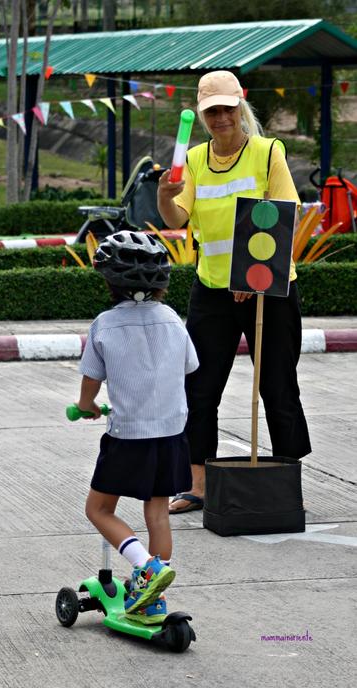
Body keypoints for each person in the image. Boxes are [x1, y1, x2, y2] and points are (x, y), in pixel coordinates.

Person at [157, 70, 312, 514]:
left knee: (277, 385)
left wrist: (251, 274)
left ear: (240, 105)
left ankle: (286, 479)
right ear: (202, 115)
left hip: (269, 286)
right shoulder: (195, 160)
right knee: (199, 387)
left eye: (227, 108)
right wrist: (166, 193)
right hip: (212, 289)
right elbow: (174, 218)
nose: (221, 117)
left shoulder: (268, 153)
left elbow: (285, 213)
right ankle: (197, 484)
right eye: (212, 111)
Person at [74, 230, 198, 623]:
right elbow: (189, 366)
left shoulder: (105, 325)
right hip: (172, 435)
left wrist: (87, 407)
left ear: (109, 280)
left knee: (99, 508)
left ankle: (146, 568)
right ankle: (151, 600)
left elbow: (89, 386)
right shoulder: (173, 320)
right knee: (157, 513)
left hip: (129, 437)